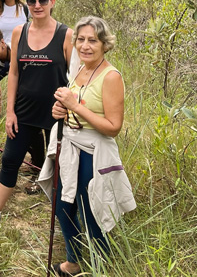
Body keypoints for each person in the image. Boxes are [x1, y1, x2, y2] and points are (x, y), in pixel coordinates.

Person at [41, 16, 136, 276]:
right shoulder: (79, 69)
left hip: (93, 153)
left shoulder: (110, 76)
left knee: (91, 210)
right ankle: (73, 262)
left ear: (105, 44)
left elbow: (113, 126)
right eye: (81, 39)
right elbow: (75, 109)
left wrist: (74, 106)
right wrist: (61, 111)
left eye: (92, 40)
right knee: (63, 207)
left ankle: (99, 265)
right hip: (70, 146)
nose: (85, 45)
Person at [0, 0, 74, 225]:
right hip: (23, 109)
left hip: (57, 112)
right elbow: (13, 73)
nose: (37, 5)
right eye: (32, 1)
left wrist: (70, 108)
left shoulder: (66, 34)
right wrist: (9, 111)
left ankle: (64, 218)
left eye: (43, 0)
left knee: (61, 166)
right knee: (10, 159)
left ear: (52, 2)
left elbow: (75, 78)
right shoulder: (19, 32)